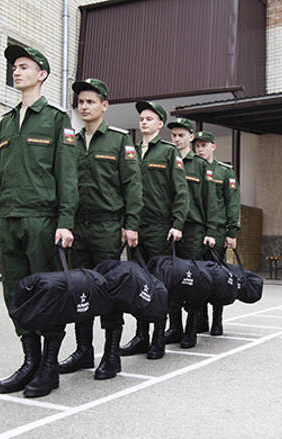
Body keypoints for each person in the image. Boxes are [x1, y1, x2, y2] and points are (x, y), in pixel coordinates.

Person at [0, 45, 78, 397]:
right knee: (15, 295)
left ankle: (49, 366)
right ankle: (30, 361)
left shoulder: (56, 120)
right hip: (9, 221)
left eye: (23, 67)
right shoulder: (6, 121)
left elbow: (67, 176)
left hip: (42, 221)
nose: (16, 72)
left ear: (42, 74)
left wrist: (65, 222)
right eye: (14, 68)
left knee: (47, 293)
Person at [57, 78, 142, 380]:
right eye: (80, 102)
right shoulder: (72, 141)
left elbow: (133, 185)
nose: (84, 106)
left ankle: (111, 354)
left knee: (107, 290)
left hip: (108, 227)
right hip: (78, 227)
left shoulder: (119, 140)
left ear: (105, 106)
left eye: (91, 101)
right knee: (80, 290)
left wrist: (131, 224)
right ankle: (83, 351)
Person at [119, 101, 189, 360]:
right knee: (138, 283)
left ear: (160, 124)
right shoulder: (130, 151)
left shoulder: (169, 152)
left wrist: (177, 224)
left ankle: (158, 336)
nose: (144, 122)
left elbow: (181, 191)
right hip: (135, 227)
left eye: (150, 118)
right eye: (142, 118)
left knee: (159, 284)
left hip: (160, 228)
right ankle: (141, 336)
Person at [165, 118, 217, 349]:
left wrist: (211, 230)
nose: (176, 139)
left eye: (181, 135)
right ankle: (174, 327)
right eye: (174, 135)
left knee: (192, 281)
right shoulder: (166, 158)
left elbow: (211, 201)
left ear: (191, 137)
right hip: (169, 229)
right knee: (171, 280)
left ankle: (191, 329)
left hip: (194, 230)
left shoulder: (200, 165)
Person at [194, 130, 240, 336]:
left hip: (219, 232)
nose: (200, 149)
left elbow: (233, 203)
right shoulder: (192, 168)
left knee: (217, 277)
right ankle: (200, 319)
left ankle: (217, 320)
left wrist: (232, 232)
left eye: (204, 145)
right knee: (198, 277)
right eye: (197, 145)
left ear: (213, 146)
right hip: (195, 232)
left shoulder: (224, 172)